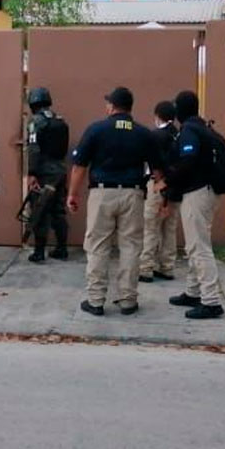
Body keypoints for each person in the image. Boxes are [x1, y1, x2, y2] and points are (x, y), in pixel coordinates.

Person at [67, 86, 163, 316]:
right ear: (130, 107)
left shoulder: (96, 129)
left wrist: (73, 194)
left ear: (111, 106)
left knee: (98, 245)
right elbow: (158, 172)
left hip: (102, 194)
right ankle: (128, 300)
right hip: (133, 195)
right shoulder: (143, 133)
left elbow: (79, 166)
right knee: (131, 246)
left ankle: (96, 300)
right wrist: (161, 194)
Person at [164, 91, 225, 319]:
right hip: (206, 191)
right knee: (195, 244)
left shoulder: (189, 131)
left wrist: (168, 181)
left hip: (197, 193)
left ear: (180, 109)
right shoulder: (201, 127)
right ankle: (193, 292)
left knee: (199, 247)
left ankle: (211, 301)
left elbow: (188, 161)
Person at [25, 86, 70, 263]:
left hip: (44, 172)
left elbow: (34, 149)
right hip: (60, 170)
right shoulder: (60, 120)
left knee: (40, 210)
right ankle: (62, 249)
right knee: (59, 210)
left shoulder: (36, 122)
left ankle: (39, 252)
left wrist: (32, 173)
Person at [139, 100, 181, 283]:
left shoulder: (155, 135)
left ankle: (146, 268)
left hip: (156, 184)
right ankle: (167, 267)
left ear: (157, 116)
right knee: (169, 228)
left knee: (151, 227)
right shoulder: (178, 135)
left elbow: (152, 162)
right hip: (175, 187)